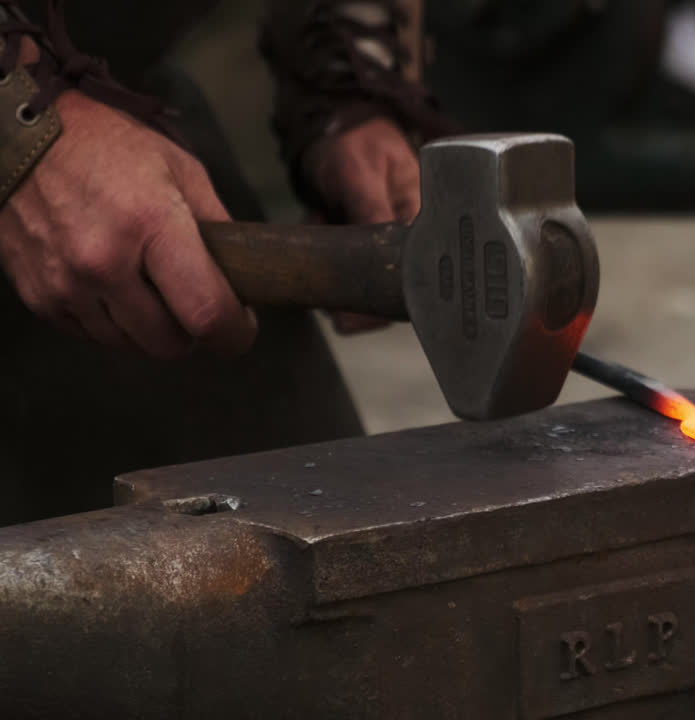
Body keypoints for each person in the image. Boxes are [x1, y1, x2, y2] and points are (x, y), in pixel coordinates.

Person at [0, 0, 455, 525]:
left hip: (122, 118)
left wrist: (344, 88)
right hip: (38, 113)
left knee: (338, 544)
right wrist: (22, 140)